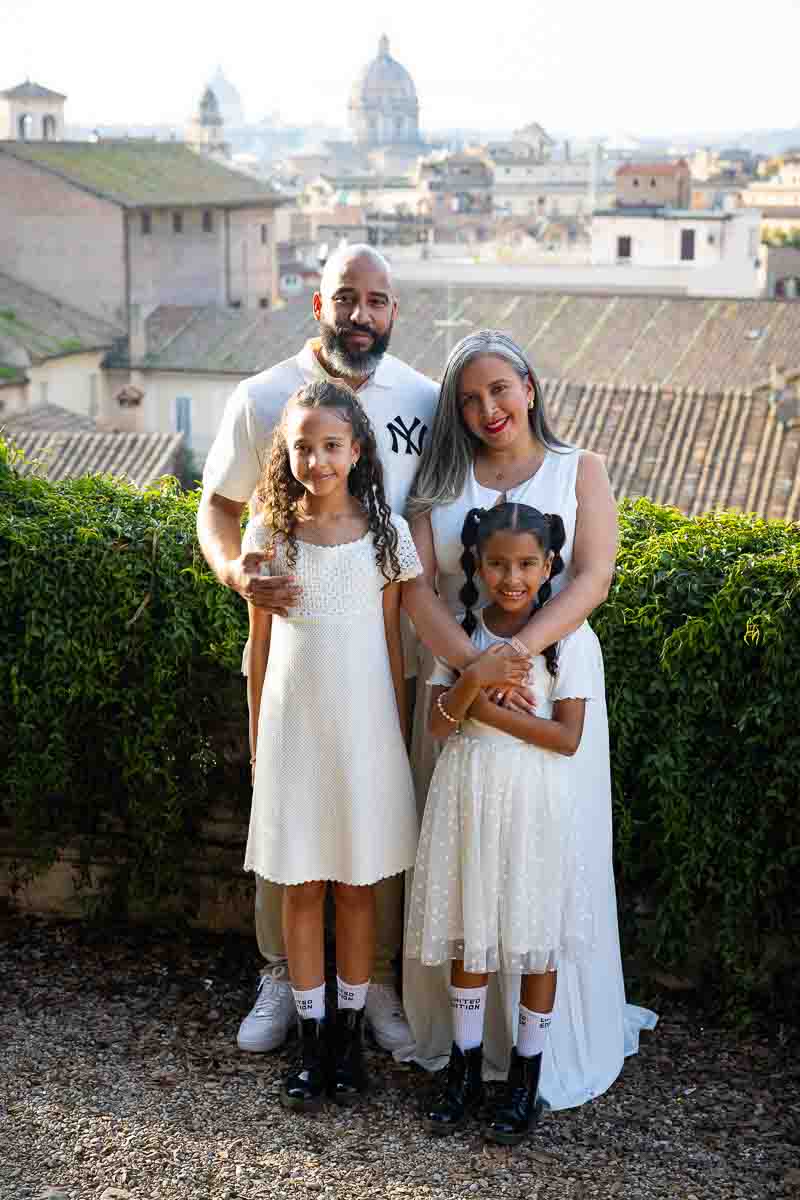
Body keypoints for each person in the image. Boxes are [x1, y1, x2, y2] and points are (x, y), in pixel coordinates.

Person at [197, 247, 508, 1056]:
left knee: (381, 817)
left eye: (377, 300)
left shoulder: (425, 397)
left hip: (395, 647)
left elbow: (466, 501)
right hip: (296, 638)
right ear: (317, 303)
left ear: (394, 310)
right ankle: (281, 974)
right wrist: (240, 575)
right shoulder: (262, 396)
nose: (361, 314)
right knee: (290, 817)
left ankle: (371, 981)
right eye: (346, 297)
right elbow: (217, 507)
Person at [402, 330, 657, 1111]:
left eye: (499, 390)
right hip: (458, 676)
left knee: (550, 867)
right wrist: (474, 668)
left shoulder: (581, 469)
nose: (488, 409)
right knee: (465, 869)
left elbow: (594, 576)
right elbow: (416, 592)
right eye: (470, 399)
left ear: (530, 387)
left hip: (549, 678)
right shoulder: (437, 482)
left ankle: (539, 1056)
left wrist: (517, 655)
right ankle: (466, 1047)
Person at [244, 380, 423, 1109]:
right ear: (286, 454)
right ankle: (311, 1037)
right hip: (294, 732)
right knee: (301, 884)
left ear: (356, 451)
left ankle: (349, 1038)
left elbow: (391, 643)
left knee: (355, 887)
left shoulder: (388, 535)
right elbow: (257, 649)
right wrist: (258, 738)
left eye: (330, 447)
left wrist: (398, 740)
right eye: (303, 448)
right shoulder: (270, 535)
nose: (317, 461)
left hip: (363, 734)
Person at [406, 502, 595, 1144]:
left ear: (548, 566)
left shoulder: (569, 638)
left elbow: (566, 738)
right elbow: (435, 723)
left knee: (535, 933)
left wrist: (479, 704)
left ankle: (526, 1076)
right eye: (497, 564)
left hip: (533, 802)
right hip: (468, 796)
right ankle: (462, 1069)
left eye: (525, 564)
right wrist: (475, 674)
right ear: (477, 567)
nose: (511, 578)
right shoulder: (461, 632)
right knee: (471, 928)